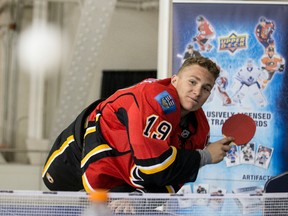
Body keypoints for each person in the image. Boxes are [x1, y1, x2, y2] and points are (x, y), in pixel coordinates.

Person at [42, 56, 233, 194]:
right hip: (73, 161)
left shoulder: (199, 128)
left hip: (120, 180)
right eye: (192, 81)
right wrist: (205, 156)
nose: (197, 91)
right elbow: (154, 165)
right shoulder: (155, 97)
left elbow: (173, 181)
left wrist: (136, 198)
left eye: (206, 88)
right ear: (174, 80)